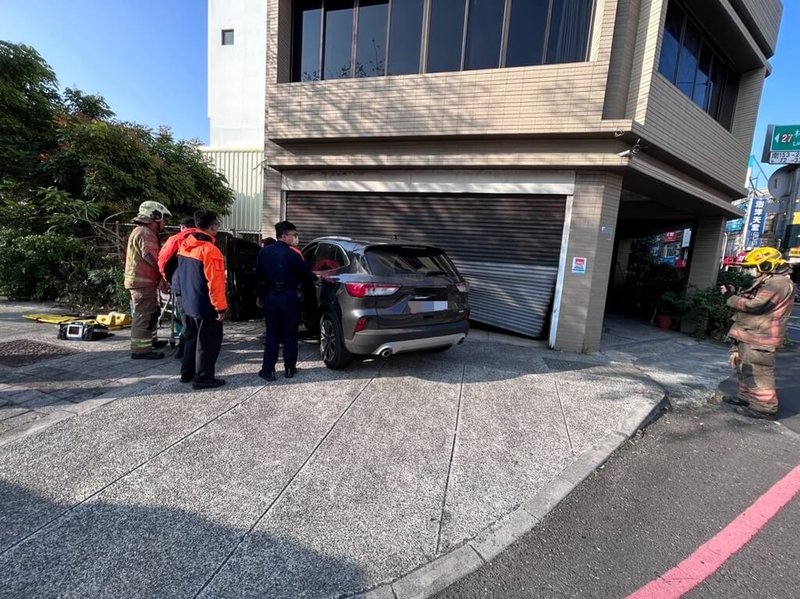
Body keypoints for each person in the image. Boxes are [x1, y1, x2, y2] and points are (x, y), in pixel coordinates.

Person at [721, 246, 796, 420]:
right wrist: (735, 293)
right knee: (745, 368)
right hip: (751, 334)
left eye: (755, 267)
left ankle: (764, 407)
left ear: (767, 265)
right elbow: (754, 300)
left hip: (761, 336)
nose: (752, 271)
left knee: (759, 372)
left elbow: (756, 305)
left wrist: (729, 298)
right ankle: (747, 398)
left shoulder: (779, 283)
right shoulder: (769, 281)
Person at [172, 210, 228, 389]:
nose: (218, 227)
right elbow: (216, 283)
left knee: (190, 338)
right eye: (217, 224)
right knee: (208, 342)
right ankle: (203, 378)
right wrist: (220, 308)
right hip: (205, 304)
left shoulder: (185, 245)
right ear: (212, 226)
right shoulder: (210, 250)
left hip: (187, 302)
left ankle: (186, 374)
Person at [254, 220, 316, 381]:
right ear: (283, 235)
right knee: (290, 334)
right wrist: (318, 277)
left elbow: (257, 277)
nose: (296, 238)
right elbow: (306, 275)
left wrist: (260, 296)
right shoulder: (293, 254)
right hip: (289, 297)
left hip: (271, 296)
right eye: (293, 235)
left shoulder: (264, 253)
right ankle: (289, 368)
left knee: (272, 335)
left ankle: (268, 370)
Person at [124, 200, 171, 359]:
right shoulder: (145, 233)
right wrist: (165, 271)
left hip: (143, 282)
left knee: (151, 312)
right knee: (144, 315)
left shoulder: (142, 231)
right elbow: (151, 256)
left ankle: (151, 341)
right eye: (164, 218)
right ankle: (140, 351)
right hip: (142, 283)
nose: (165, 222)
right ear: (155, 217)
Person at [158, 216, 197, 359]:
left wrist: (166, 279)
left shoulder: (175, 239)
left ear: (182, 227)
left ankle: (183, 350)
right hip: (197, 286)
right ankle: (191, 349)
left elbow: (162, 260)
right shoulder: (204, 239)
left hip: (179, 284)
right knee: (195, 319)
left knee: (184, 318)